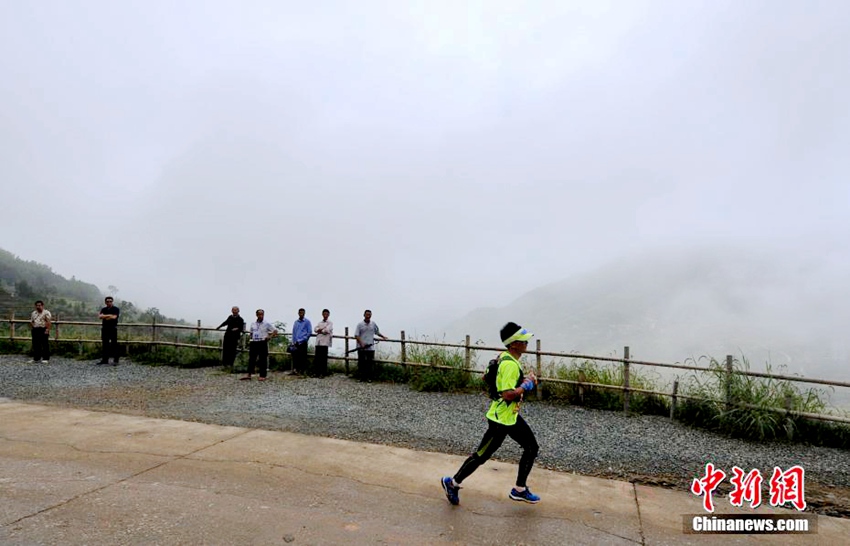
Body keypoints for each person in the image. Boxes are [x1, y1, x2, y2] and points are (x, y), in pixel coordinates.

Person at [441, 322, 540, 505]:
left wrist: (520, 381)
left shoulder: (502, 357)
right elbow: (507, 394)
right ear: (513, 344)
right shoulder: (510, 364)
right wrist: (527, 385)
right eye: (523, 340)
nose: (526, 343)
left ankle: (519, 489)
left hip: (509, 417)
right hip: (500, 420)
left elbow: (487, 376)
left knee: (532, 448)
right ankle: (452, 483)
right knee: (481, 456)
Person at [242, 309, 277, 381]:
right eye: (259, 314)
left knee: (263, 359)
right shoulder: (253, 323)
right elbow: (251, 332)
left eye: (262, 314)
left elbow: (275, 331)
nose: (261, 316)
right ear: (257, 315)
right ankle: (249, 374)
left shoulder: (266, 323)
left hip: (262, 342)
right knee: (252, 359)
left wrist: (269, 337)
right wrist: (250, 338)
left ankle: (262, 375)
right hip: (254, 342)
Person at [353, 309, 388, 382]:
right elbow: (356, 335)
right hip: (361, 347)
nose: (368, 316)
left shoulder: (373, 324)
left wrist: (383, 337)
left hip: (370, 347)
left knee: (370, 363)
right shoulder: (360, 324)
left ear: (371, 315)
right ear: (364, 315)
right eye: (367, 314)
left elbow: (377, 332)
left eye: (369, 314)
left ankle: (369, 377)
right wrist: (361, 343)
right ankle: (362, 377)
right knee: (361, 363)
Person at [98, 296, 121, 366]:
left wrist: (105, 316)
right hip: (105, 329)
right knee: (105, 344)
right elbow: (100, 316)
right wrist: (109, 316)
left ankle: (116, 360)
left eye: (110, 301)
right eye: (107, 301)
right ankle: (105, 360)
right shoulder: (103, 309)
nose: (109, 302)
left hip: (113, 328)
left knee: (114, 344)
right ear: (105, 302)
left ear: (112, 302)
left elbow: (114, 317)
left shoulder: (116, 309)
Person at [290, 308, 312, 375]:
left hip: (303, 342)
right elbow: (294, 332)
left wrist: (304, 339)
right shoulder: (296, 322)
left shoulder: (307, 322)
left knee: (303, 357)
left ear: (304, 313)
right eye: (300, 312)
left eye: (302, 312)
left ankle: (302, 371)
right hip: (296, 343)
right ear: (298, 313)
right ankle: (295, 370)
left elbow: (309, 332)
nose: (301, 314)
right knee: (295, 357)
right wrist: (293, 341)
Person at [312, 309, 333, 377]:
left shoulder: (330, 323)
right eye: (324, 314)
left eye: (327, 314)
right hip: (318, 342)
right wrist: (320, 329)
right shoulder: (320, 322)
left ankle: (323, 373)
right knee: (317, 358)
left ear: (328, 315)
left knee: (323, 358)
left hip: (325, 342)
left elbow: (326, 330)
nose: (325, 315)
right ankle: (316, 372)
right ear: (322, 314)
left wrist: (320, 330)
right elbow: (315, 329)